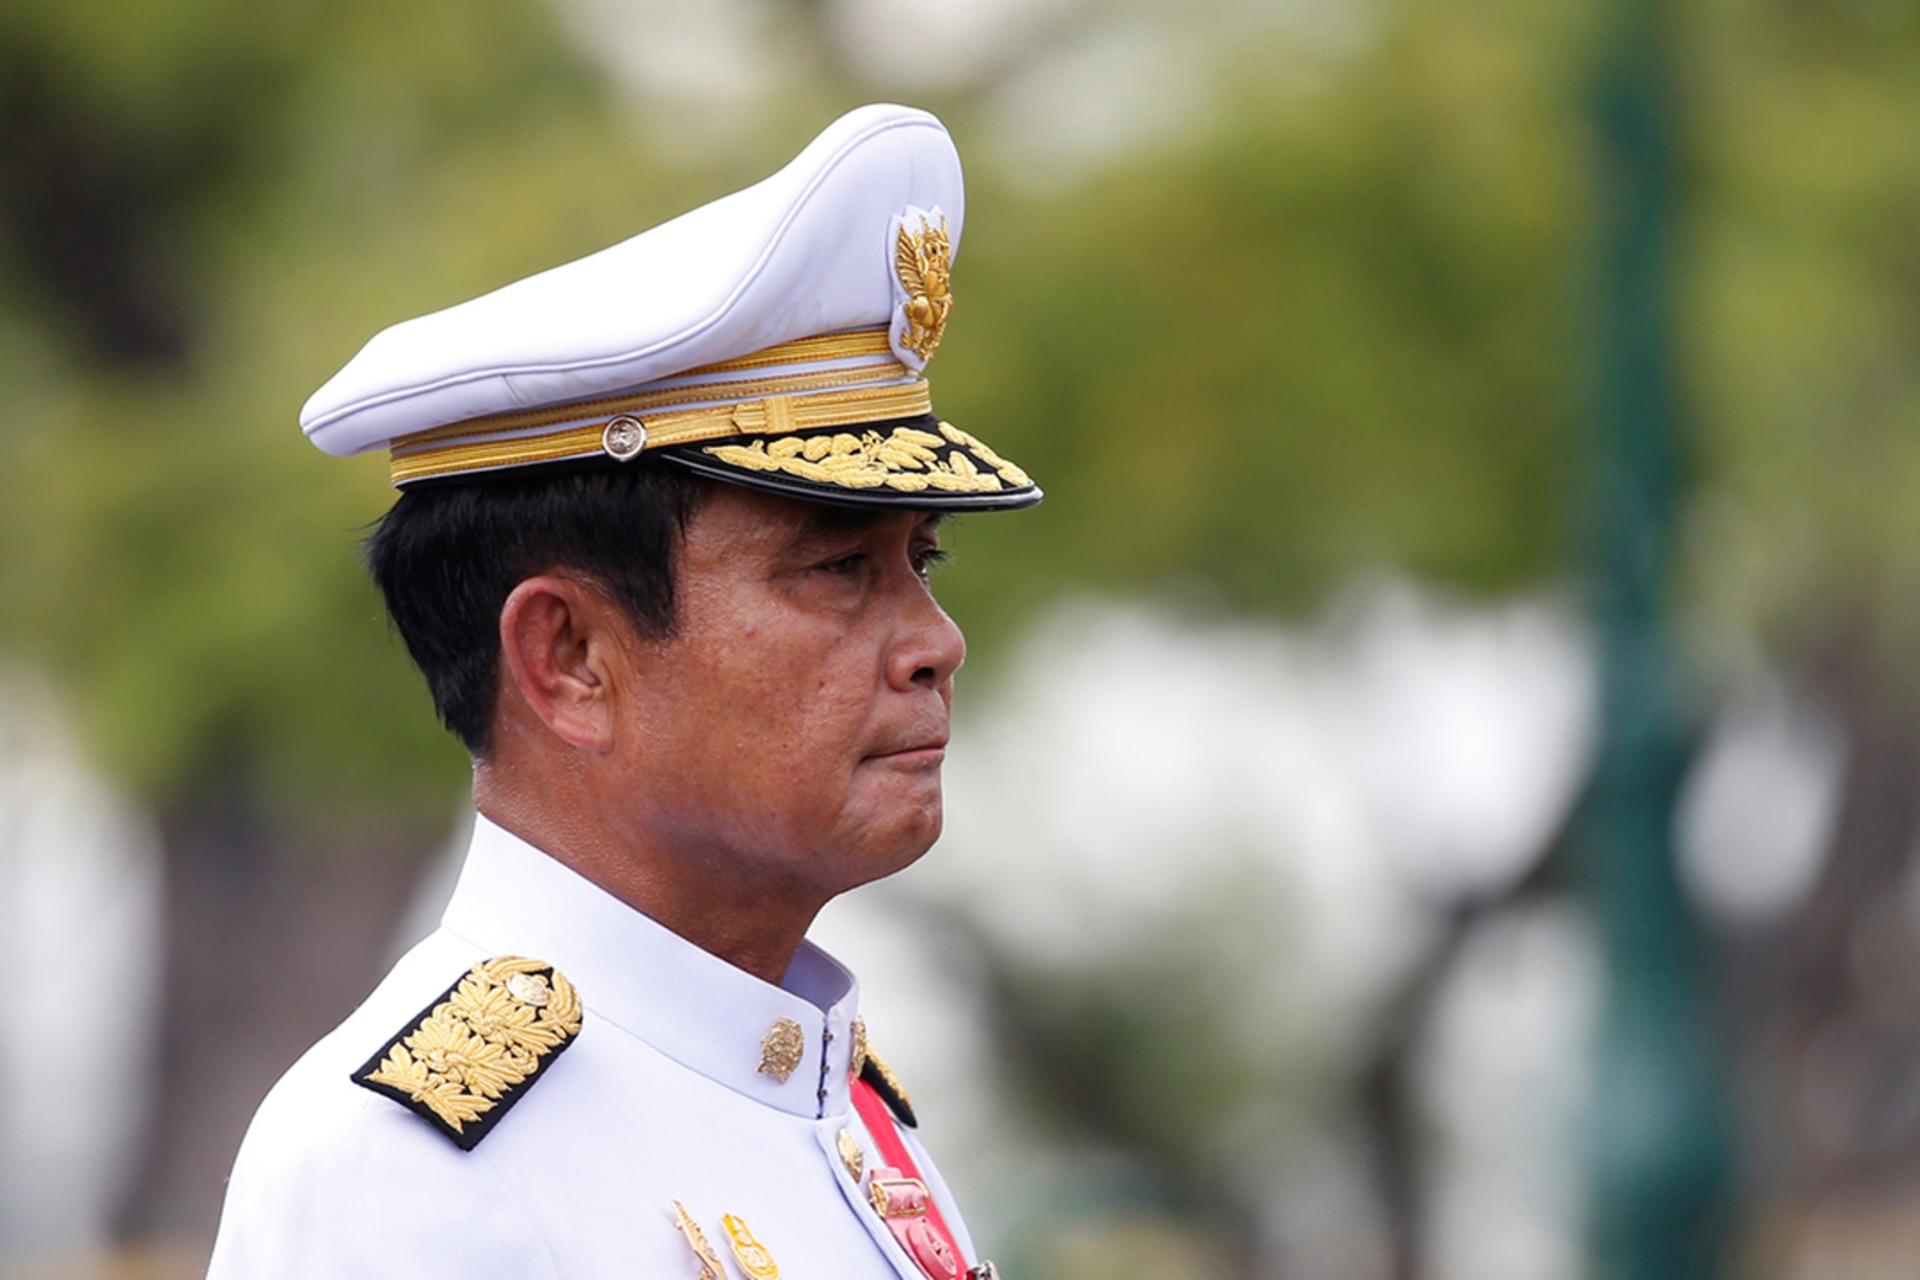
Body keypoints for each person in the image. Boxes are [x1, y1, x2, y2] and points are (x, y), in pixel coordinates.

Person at [204, 103, 1037, 1280]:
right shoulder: (407, 1174)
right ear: (569, 659)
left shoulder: (840, 1117)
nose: (934, 641)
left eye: (922, 560)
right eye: (838, 568)